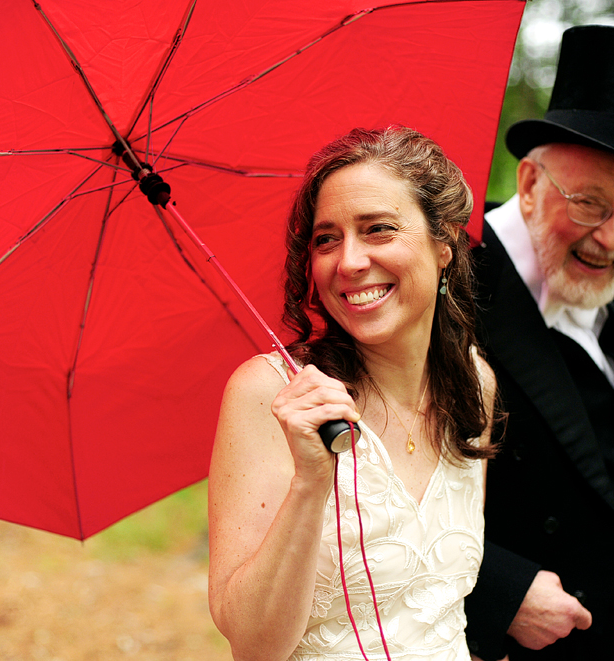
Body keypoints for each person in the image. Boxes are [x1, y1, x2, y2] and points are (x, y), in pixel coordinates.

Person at [208, 126, 498, 661]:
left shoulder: (474, 381)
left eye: (378, 229)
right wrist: (310, 481)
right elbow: (253, 646)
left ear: (445, 246)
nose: (348, 262)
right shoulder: (269, 394)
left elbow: (439, 604)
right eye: (326, 238)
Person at [464, 25, 614, 661]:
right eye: (590, 204)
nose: (613, 239)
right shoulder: (446, 289)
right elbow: (378, 498)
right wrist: (501, 590)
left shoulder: (610, 270)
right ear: (530, 183)